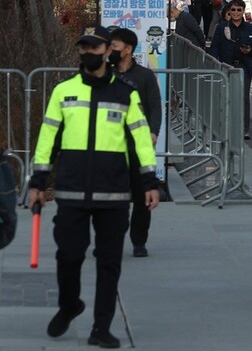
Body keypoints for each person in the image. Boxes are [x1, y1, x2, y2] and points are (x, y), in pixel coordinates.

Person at [28, 26, 159, 348]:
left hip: (113, 193)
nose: (89, 52)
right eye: (84, 47)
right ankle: (70, 305)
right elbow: (48, 139)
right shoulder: (64, 91)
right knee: (69, 257)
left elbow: (141, 140)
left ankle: (101, 327)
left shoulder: (125, 93)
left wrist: (149, 181)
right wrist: (37, 183)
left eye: (95, 47)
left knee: (108, 264)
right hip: (71, 191)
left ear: (106, 52)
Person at [109, 28, 163, 258]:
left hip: (138, 145)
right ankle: (110, 237)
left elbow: (155, 106)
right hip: (111, 146)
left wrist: (153, 131)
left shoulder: (144, 76)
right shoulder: (106, 75)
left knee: (142, 196)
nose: (111, 50)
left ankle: (139, 240)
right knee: (112, 198)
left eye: (115, 46)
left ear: (128, 49)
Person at [211, 0, 252, 140]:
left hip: (243, 66)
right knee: (225, 97)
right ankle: (225, 126)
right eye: (233, 10)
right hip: (226, 65)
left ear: (243, 11)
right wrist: (216, 62)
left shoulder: (251, 29)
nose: (236, 13)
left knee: (244, 98)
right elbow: (214, 46)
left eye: (239, 10)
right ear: (229, 11)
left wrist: (250, 50)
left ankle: (244, 129)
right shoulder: (222, 27)